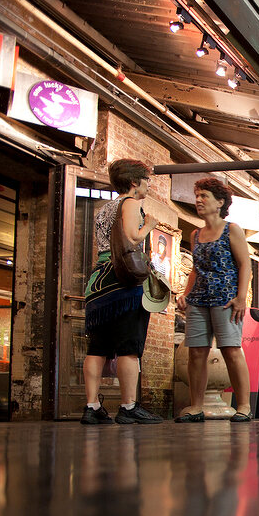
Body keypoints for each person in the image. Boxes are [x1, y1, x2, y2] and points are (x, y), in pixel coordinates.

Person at [81, 158, 164, 425]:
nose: (149, 184)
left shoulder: (105, 209)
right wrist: (149, 226)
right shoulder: (130, 203)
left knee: (97, 348)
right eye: (146, 179)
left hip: (99, 283)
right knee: (129, 346)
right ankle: (128, 406)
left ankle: (92, 406)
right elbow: (132, 237)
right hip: (123, 283)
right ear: (133, 182)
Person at [176, 177, 253, 422]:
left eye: (204, 196)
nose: (198, 200)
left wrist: (241, 298)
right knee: (196, 353)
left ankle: (243, 406)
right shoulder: (196, 234)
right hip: (199, 299)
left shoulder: (232, 229)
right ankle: (196, 406)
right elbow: (195, 270)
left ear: (220, 202)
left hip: (226, 299)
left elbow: (245, 265)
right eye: (197, 195)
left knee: (231, 350)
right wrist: (186, 294)